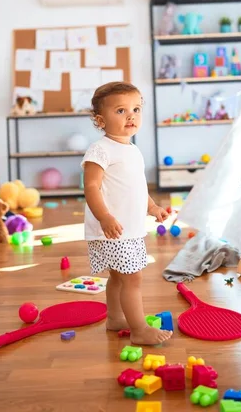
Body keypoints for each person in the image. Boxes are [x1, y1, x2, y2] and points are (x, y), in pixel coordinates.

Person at [81, 81, 173, 345]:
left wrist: (152, 207)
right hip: (113, 229)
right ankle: (139, 329)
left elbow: (136, 186)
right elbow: (91, 186)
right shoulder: (101, 150)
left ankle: (115, 318)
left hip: (127, 228)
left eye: (136, 109)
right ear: (100, 120)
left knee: (119, 277)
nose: (131, 115)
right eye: (120, 111)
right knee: (133, 278)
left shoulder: (132, 149)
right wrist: (104, 217)